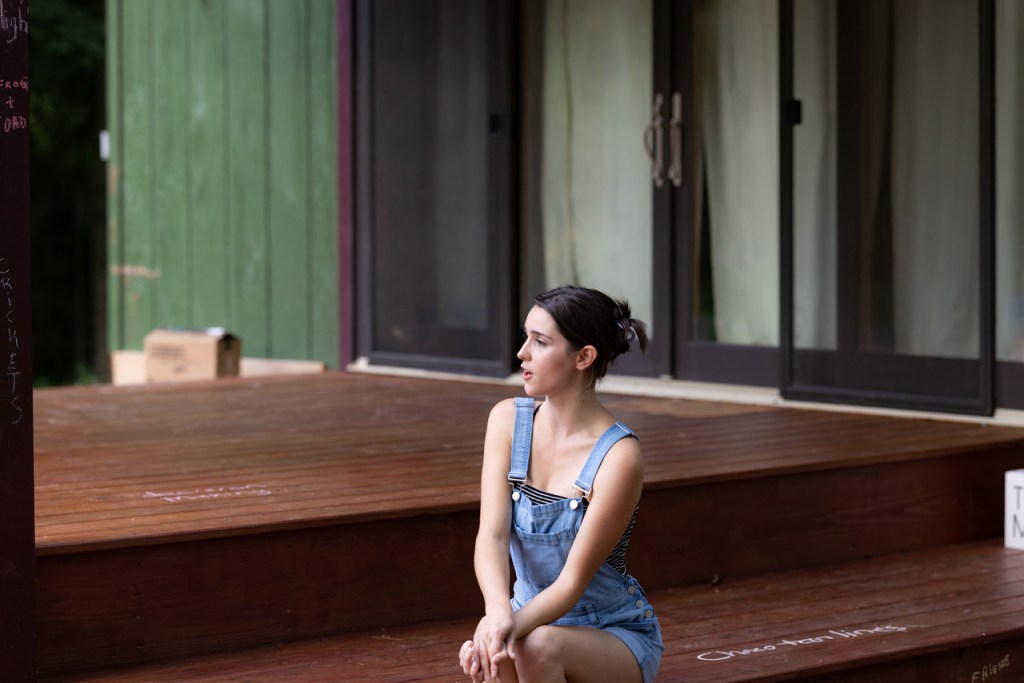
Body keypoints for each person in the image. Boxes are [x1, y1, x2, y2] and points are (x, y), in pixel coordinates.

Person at [459, 285, 663, 683]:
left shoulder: (618, 456)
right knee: (502, 657)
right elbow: (492, 537)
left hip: (610, 633)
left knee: (532, 648)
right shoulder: (506, 421)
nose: (522, 353)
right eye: (525, 337)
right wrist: (498, 616)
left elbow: (571, 583)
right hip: (527, 617)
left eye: (540, 342)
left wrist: (505, 631)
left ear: (584, 357)